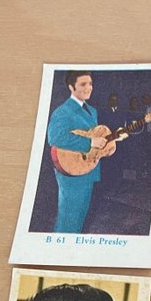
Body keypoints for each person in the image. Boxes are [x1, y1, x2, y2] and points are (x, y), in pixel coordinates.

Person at [46, 71, 109, 232]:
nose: (88, 88)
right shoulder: (63, 111)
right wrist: (90, 142)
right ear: (71, 87)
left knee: (79, 218)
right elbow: (55, 137)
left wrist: (106, 146)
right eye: (83, 84)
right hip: (70, 172)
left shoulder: (92, 110)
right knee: (68, 220)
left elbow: (93, 137)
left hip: (88, 169)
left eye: (90, 84)